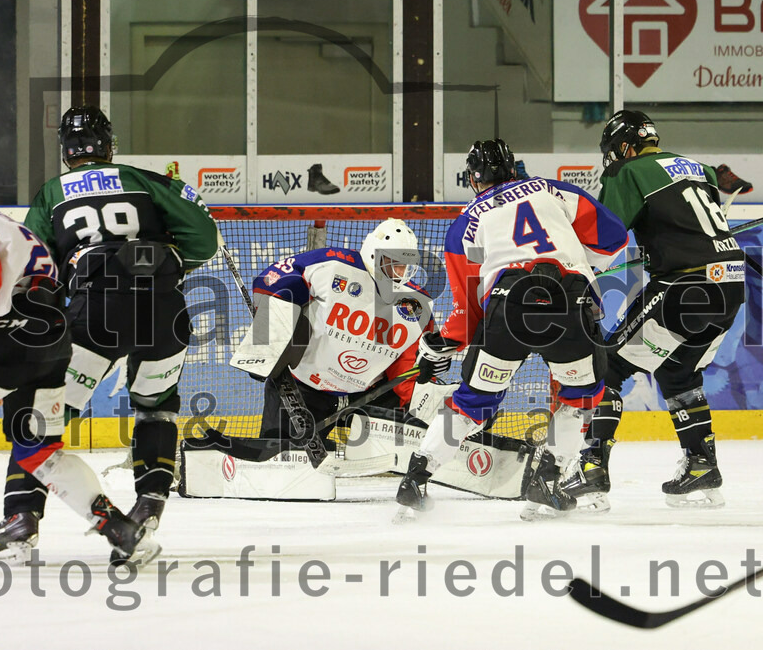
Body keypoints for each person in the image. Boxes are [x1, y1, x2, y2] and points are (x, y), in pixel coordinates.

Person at [0, 107, 219, 558]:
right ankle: (147, 508)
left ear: (65, 152)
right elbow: (203, 237)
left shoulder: (51, 194)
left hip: (98, 310)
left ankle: (22, 517)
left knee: (37, 417)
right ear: (109, 145)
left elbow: (34, 267)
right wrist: (164, 262)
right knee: (156, 408)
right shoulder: (145, 179)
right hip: (166, 311)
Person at [0, 154, 159, 572]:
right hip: (53, 342)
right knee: (39, 452)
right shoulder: (14, 226)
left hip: (10, 337)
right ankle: (120, 530)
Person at [397, 139, 629, 520]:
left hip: (507, 307)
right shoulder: (553, 189)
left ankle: (417, 478)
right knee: (581, 397)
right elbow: (614, 237)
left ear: (473, 178)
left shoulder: (466, 222)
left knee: (473, 402)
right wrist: (582, 260)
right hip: (569, 301)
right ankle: (547, 480)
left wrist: (440, 348)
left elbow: (467, 309)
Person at [562, 110, 746, 510]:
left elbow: (605, 237)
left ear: (625, 146)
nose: (612, 158)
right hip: (730, 286)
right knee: (678, 372)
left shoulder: (628, 171)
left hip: (686, 285)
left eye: (613, 150)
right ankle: (701, 466)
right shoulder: (699, 169)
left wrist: (571, 265)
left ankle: (592, 468)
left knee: (607, 367)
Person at [229, 218, 442, 445]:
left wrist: (422, 406)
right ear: (373, 252)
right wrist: (264, 342)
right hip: (302, 389)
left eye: (404, 265)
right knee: (283, 461)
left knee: (395, 452)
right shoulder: (333, 266)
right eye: (392, 262)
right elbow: (271, 280)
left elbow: (410, 364)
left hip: (366, 398)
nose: (398, 271)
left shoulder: (417, 304)